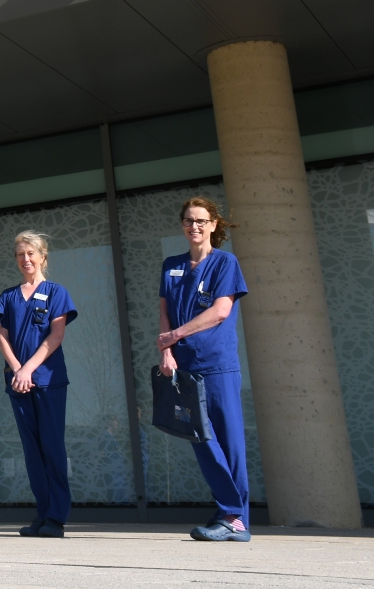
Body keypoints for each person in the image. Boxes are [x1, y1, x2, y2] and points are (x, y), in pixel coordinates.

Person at [158, 196, 251, 543]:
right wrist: (167, 349)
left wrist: (176, 335)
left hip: (217, 365)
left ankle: (235, 518)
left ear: (213, 224)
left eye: (200, 220)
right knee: (199, 438)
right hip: (183, 368)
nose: (193, 226)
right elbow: (165, 309)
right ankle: (230, 511)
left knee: (228, 441)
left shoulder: (225, 263)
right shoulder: (171, 265)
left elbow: (220, 311)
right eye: (188, 220)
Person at [0, 231, 78, 538]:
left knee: (52, 447)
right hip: (18, 382)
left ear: (43, 257)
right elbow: (2, 336)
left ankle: (57, 516)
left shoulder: (56, 292)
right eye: (20, 254)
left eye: (31, 253)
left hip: (47, 381)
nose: (25, 259)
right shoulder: (8, 296)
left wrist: (29, 369)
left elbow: (56, 336)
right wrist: (18, 370)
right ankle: (42, 513)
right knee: (32, 451)